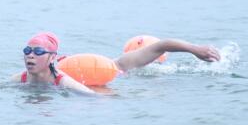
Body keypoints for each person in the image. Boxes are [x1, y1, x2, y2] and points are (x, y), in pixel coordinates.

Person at [13, 32, 221, 94]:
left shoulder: (64, 81)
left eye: (37, 52)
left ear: (51, 57)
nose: (30, 55)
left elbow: (162, 45)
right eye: (27, 51)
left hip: (114, 72)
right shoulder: (21, 78)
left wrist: (195, 50)